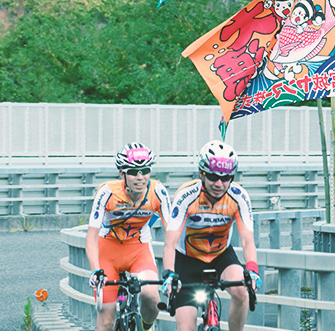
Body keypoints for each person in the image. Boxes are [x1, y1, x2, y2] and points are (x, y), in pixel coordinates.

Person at [161, 140, 260, 331]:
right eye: (213, 177)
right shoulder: (187, 195)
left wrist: (252, 270)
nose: (219, 184)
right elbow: (170, 242)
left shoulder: (239, 197)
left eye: (226, 178)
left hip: (221, 255)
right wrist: (169, 273)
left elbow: (248, 241)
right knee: (186, 327)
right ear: (201, 173)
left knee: (242, 291)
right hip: (187, 259)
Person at [86, 142, 171, 331]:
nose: (140, 177)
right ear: (121, 173)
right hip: (107, 252)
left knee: (151, 296)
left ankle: (145, 327)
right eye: (133, 172)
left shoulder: (157, 191)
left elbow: (172, 235)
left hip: (138, 251)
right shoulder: (107, 192)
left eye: (145, 170)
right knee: (106, 322)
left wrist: (173, 269)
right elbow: (91, 236)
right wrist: (95, 270)